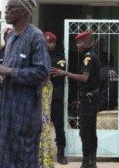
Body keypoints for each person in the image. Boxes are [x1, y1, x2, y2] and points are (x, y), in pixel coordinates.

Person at [0, 0, 50, 168]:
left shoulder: (35, 37)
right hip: (5, 111)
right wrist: (0, 80)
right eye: (6, 8)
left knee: (22, 158)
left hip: (24, 114)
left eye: (10, 8)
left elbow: (42, 72)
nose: (6, 11)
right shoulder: (11, 37)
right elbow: (6, 72)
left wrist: (10, 72)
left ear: (23, 11)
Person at [51, 31, 100, 168]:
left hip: (88, 99)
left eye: (80, 42)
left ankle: (86, 163)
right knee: (91, 131)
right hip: (91, 98)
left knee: (85, 131)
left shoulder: (88, 57)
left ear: (87, 41)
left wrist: (65, 73)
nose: (78, 45)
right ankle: (92, 162)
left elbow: (84, 78)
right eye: (77, 42)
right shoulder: (90, 55)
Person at [46, 31, 68, 165]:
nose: (50, 44)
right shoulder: (37, 55)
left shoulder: (59, 57)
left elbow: (56, 72)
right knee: (39, 126)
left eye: (53, 42)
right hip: (40, 97)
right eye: (48, 42)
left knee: (59, 126)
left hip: (55, 97)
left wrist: (41, 72)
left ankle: (61, 153)